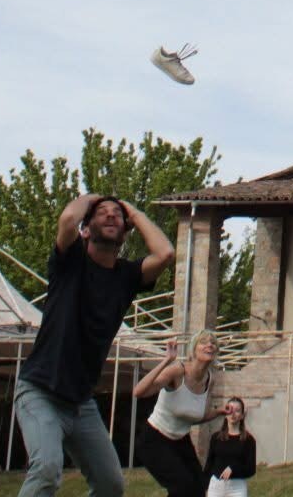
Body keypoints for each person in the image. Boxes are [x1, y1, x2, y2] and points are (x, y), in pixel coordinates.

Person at [14, 193, 175, 497]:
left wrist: (135, 214)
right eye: (102, 213)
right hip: (39, 392)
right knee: (47, 469)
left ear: (125, 232)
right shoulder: (70, 262)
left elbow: (165, 253)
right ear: (86, 229)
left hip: (80, 403)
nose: (111, 215)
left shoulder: (126, 276)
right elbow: (66, 220)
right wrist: (90, 199)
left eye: (117, 213)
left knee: (110, 485)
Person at [133, 335, 220, 497]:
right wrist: (166, 361)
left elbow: (198, 416)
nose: (210, 345)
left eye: (213, 343)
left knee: (199, 488)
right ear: (193, 350)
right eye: (204, 342)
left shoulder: (210, 379)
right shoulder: (177, 371)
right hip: (154, 440)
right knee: (182, 487)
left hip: (181, 441)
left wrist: (220, 412)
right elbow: (139, 392)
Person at [205, 397, 256, 496]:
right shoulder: (216, 438)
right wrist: (205, 487)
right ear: (225, 413)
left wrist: (233, 469)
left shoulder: (249, 440)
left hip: (237, 488)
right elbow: (209, 465)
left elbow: (251, 469)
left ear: (242, 415)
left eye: (237, 411)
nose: (233, 414)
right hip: (216, 486)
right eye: (230, 410)